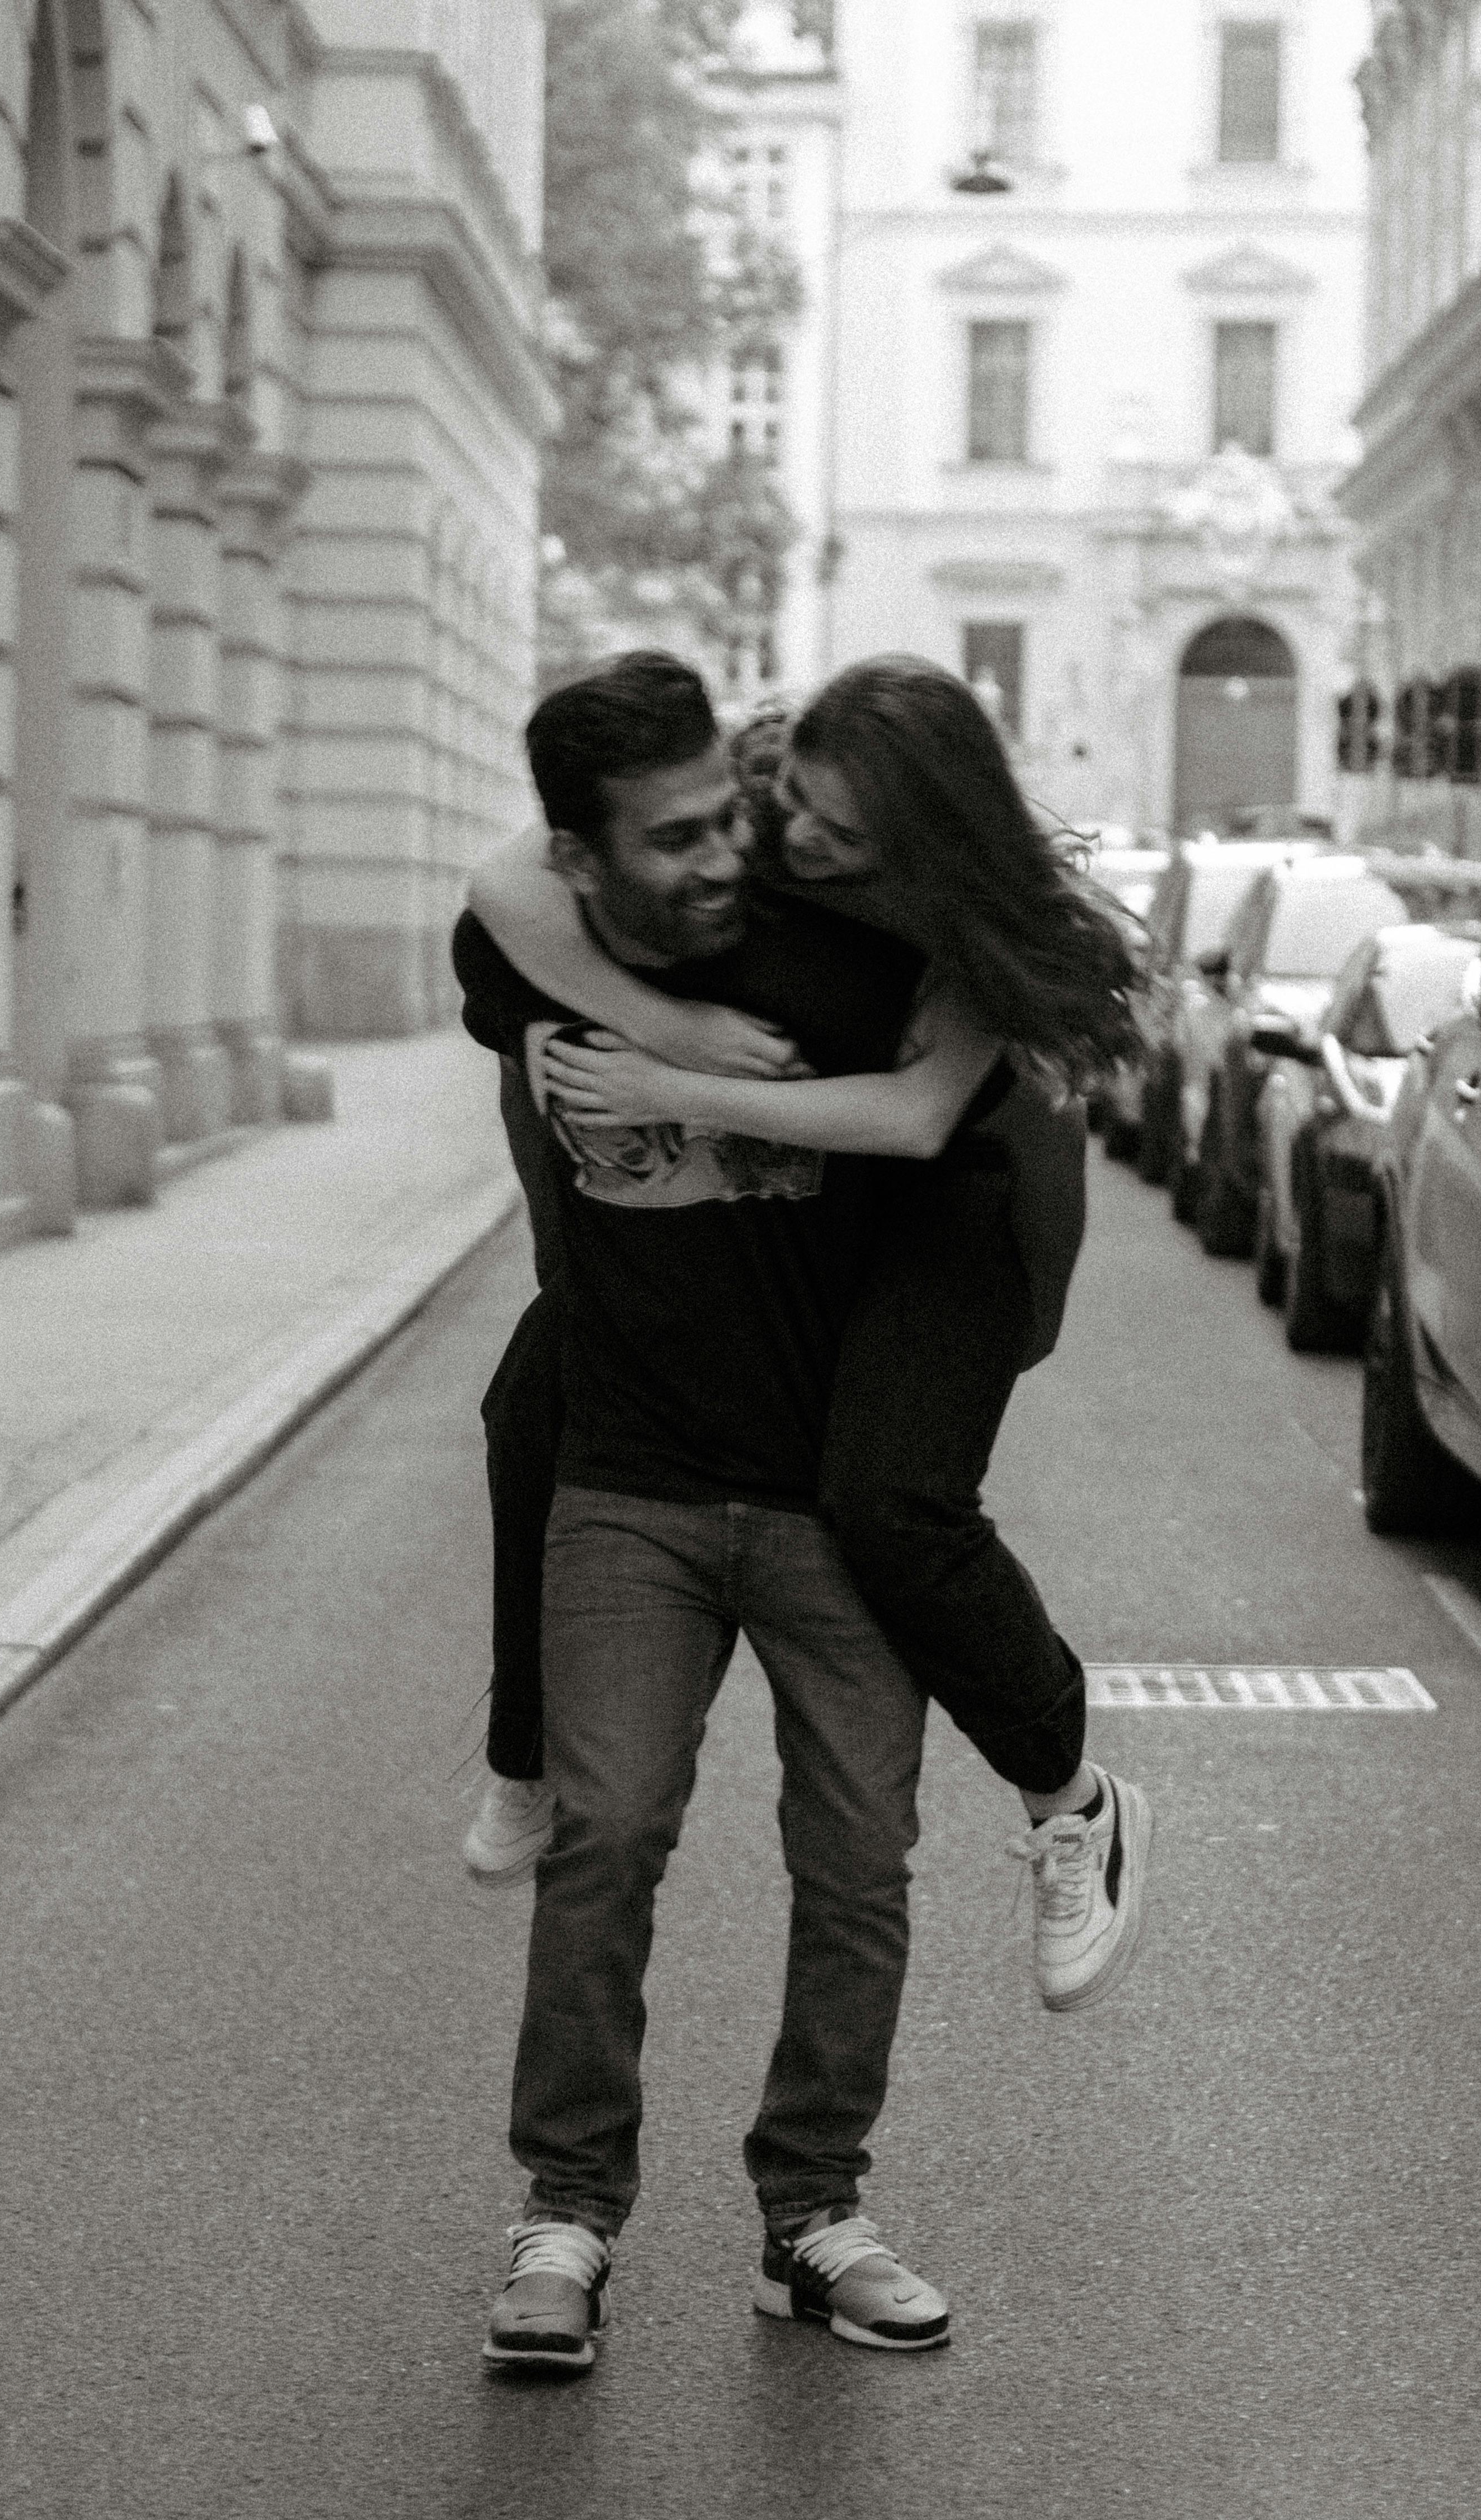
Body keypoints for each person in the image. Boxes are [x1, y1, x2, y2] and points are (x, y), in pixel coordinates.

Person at [467, 653, 1153, 2017]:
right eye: (801, 813)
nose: (803, 846)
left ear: (930, 831)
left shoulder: (983, 919)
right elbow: (506, 885)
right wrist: (663, 1022)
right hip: (839, 1180)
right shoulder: (760, 794)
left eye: (847, 835)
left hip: (963, 1214)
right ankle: (520, 1751)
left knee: (890, 1500)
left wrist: (671, 1079)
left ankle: (1073, 1801)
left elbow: (914, 1120)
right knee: (534, 1394)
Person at [454, 651, 952, 2372]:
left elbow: (959, 1060)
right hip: (632, 1487)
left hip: (833, 1498)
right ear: (584, 861)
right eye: (668, 838)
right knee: (605, 1832)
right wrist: (647, 1025)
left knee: (857, 1857)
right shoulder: (515, 946)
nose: (720, 853)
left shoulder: (833, 943)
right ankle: (566, 2214)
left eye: (723, 812)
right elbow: (498, 905)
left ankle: (813, 2216)